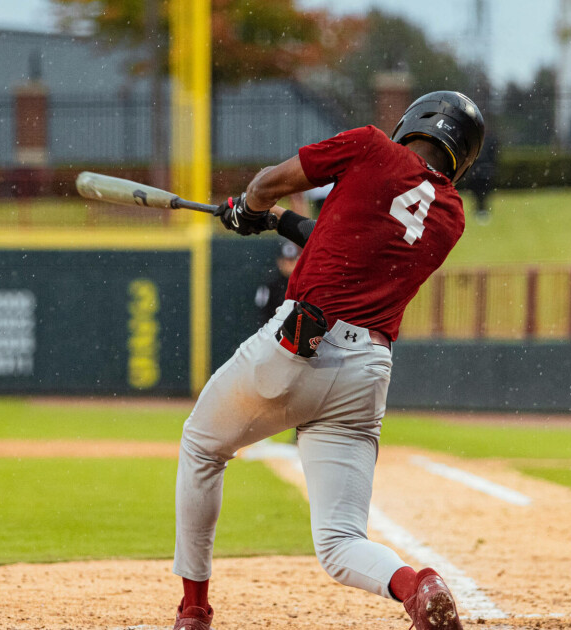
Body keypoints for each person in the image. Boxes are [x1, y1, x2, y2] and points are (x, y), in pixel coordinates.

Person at [170, 91, 485, 630]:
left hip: (298, 347)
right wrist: (278, 224)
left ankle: (194, 608)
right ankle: (416, 586)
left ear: (413, 122)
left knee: (202, 446)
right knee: (341, 543)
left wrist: (249, 208)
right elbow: (356, 236)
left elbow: (270, 182)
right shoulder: (450, 217)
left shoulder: (370, 147)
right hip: (365, 376)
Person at [254, 239, 300, 326]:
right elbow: (263, 314)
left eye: (293, 260)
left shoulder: (304, 284)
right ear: (279, 261)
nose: (289, 264)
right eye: (286, 260)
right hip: (275, 332)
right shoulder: (270, 285)